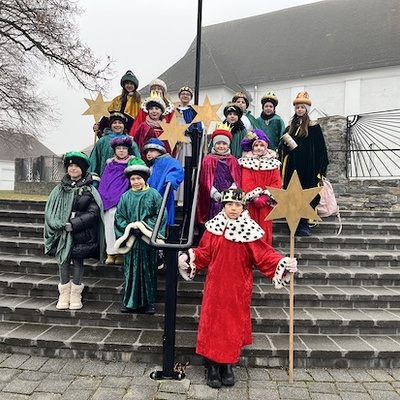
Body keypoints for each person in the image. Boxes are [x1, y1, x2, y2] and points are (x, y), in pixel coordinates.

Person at [178, 188, 298, 388]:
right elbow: (204, 253)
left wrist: (282, 263)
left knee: (232, 324)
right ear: (223, 206)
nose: (233, 208)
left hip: (238, 287)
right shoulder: (213, 228)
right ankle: (212, 365)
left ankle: (228, 364)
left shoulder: (249, 230)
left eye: (237, 205)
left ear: (243, 207)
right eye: (229, 205)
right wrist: (189, 258)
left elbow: (264, 255)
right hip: (215, 286)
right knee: (214, 323)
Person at [44, 151, 105, 310]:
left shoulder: (89, 190)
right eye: (71, 166)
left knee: (78, 261)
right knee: (63, 261)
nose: (73, 169)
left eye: (77, 166)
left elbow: (93, 212)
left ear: (83, 169)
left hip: (81, 232)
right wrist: (58, 223)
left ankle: (76, 293)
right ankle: (64, 293)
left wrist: (74, 224)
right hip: (61, 232)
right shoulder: (59, 189)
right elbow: (50, 209)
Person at [114, 157, 167, 314]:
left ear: (144, 179)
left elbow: (160, 215)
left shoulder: (154, 195)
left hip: (146, 242)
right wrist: (130, 229)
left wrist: (143, 227)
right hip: (132, 242)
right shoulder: (125, 197)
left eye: (138, 179)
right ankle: (129, 301)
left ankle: (148, 302)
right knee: (131, 272)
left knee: (148, 271)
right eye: (133, 179)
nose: (136, 182)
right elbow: (119, 217)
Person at [279, 91, 329, 236]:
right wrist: (284, 147)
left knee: (306, 193)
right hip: (292, 167)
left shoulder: (313, 127)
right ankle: (293, 222)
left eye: (302, 107)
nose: (299, 110)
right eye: (297, 107)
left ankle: (304, 223)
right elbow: (282, 149)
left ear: (306, 109)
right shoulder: (290, 127)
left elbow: (321, 150)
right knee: (292, 194)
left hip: (308, 168)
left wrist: (319, 169)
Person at [238, 130, 281, 245]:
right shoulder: (246, 163)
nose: (259, 148)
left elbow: (276, 182)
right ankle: (250, 253)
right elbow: (246, 181)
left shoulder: (273, 164)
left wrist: (266, 196)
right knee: (250, 226)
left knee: (265, 227)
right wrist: (255, 197)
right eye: (256, 145)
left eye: (261, 145)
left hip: (266, 204)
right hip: (251, 203)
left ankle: (264, 252)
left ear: (266, 146)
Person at [98, 136, 134, 265]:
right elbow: (105, 183)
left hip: (125, 200)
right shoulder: (110, 166)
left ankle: (121, 252)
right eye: (119, 148)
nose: (121, 150)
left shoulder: (133, 164)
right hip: (109, 200)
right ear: (115, 150)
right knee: (109, 225)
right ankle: (111, 252)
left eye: (124, 148)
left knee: (123, 226)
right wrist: (105, 197)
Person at [197, 125, 241, 225]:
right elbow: (205, 179)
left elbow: (237, 179)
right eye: (218, 143)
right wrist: (213, 192)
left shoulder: (233, 160)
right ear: (214, 144)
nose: (221, 146)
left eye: (224, 144)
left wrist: (230, 191)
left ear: (228, 145)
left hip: (228, 197)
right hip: (213, 198)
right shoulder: (208, 159)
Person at [143, 138, 184, 226]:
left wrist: (171, 179)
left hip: (163, 194)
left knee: (162, 218)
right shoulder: (149, 165)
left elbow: (177, 170)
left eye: (152, 151)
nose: (148, 154)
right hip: (148, 196)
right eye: (147, 152)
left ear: (160, 151)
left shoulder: (169, 161)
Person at [89, 111, 140, 179]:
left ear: (124, 125)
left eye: (120, 123)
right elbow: (94, 160)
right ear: (111, 125)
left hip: (124, 179)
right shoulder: (103, 141)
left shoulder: (130, 142)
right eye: (114, 123)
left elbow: (137, 160)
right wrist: (93, 177)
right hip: (105, 177)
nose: (117, 125)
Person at [130, 91, 172, 156]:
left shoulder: (166, 127)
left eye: (157, 109)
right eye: (151, 109)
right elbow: (136, 143)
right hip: (146, 157)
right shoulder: (143, 126)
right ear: (148, 111)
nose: (154, 111)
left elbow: (170, 146)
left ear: (161, 111)